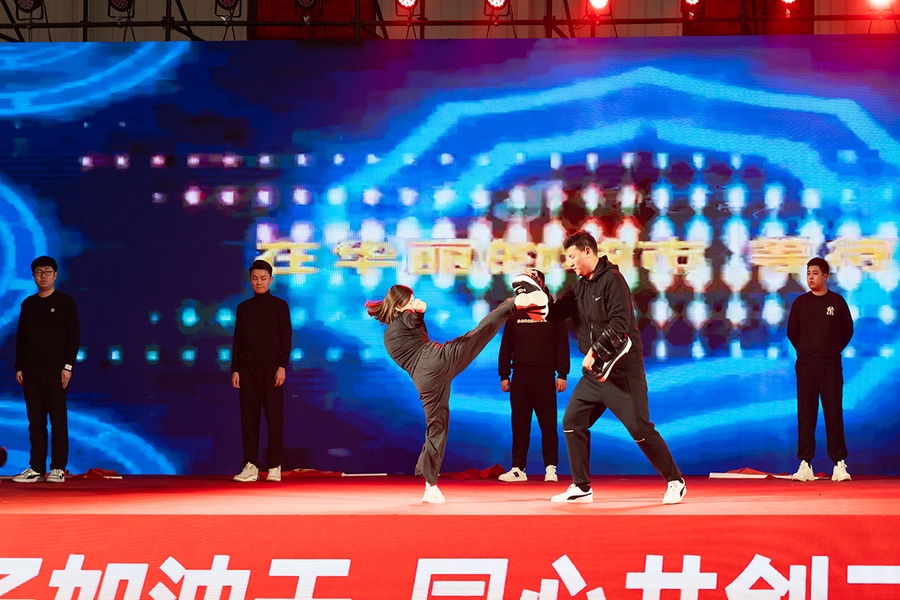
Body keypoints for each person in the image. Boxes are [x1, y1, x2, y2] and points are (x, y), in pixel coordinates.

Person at [542, 231, 686, 504]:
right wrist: (537, 296)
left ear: (587, 251)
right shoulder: (579, 287)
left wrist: (594, 351)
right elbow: (555, 313)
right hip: (594, 374)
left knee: (640, 429)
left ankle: (675, 481)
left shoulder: (614, 280)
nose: (570, 263)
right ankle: (581, 487)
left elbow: (620, 325)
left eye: (572, 256)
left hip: (622, 371)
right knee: (572, 422)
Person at [366, 285, 543, 503]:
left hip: (424, 381)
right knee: (474, 337)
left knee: (436, 427)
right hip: (434, 361)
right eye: (409, 301)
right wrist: (418, 312)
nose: (413, 303)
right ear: (398, 305)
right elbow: (411, 321)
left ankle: (430, 486)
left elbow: (413, 327)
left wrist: (417, 314)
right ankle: (512, 304)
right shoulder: (405, 318)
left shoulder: (389, 334)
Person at [12, 256, 80, 484]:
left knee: (58, 421)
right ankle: (36, 468)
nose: (43, 276)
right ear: (33, 276)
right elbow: (21, 338)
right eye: (39, 272)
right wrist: (19, 367)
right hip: (31, 372)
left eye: (48, 271)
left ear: (55, 275)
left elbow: (73, 337)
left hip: (56, 371)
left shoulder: (65, 303)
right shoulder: (28, 304)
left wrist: (68, 366)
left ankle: (58, 467)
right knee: (35, 422)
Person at [497, 270, 569, 483]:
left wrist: (562, 374)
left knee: (548, 424)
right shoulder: (515, 313)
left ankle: (551, 468)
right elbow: (506, 346)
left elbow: (561, 345)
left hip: (545, 377)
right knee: (519, 424)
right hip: (520, 376)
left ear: (541, 284)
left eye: (532, 278)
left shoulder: (552, 313)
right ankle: (518, 469)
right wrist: (504, 374)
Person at [787, 257, 854, 482]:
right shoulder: (800, 303)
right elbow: (792, 332)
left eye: (815, 273)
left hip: (831, 366)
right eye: (808, 273)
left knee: (833, 414)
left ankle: (839, 464)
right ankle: (805, 464)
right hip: (806, 366)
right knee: (806, 414)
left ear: (825, 276)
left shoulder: (836, 302)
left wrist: (831, 351)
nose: (810, 277)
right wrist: (806, 351)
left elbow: (847, 330)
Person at [231, 259, 292, 483]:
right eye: (255, 278)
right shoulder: (243, 308)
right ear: (250, 280)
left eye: (263, 278)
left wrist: (282, 366)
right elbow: (238, 341)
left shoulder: (280, 306)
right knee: (249, 419)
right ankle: (251, 465)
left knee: (274, 419)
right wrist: (235, 369)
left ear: (271, 280)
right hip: (247, 370)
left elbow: (286, 338)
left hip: (271, 370)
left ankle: (275, 465)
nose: (259, 282)